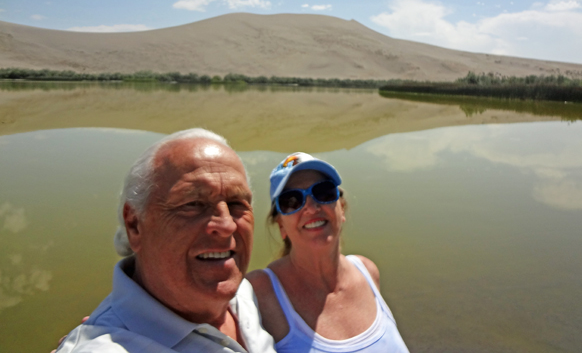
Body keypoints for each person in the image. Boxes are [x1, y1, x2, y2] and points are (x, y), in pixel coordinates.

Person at [56, 128, 276, 353]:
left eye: (236, 204)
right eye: (193, 204)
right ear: (134, 225)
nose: (227, 225)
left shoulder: (242, 294)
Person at [247, 152, 410, 352]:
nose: (311, 207)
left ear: (341, 208)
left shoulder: (367, 271)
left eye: (323, 192)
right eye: (292, 201)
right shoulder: (259, 292)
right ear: (280, 225)